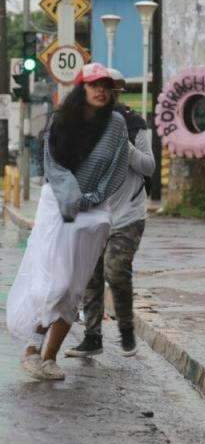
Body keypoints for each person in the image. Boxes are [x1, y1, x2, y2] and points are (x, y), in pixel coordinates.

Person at [7, 63, 129, 380]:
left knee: (74, 288)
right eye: (94, 85)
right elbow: (54, 166)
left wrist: (95, 197)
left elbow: (117, 168)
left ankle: (49, 357)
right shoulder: (61, 120)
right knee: (55, 283)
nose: (101, 91)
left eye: (106, 86)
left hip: (94, 211)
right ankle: (32, 348)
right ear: (82, 88)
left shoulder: (116, 124)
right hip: (58, 204)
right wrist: (74, 196)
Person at [65, 68, 156, 358]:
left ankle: (126, 329)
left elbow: (149, 167)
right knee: (90, 275)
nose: (105, 94)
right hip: (94, 214)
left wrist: (124, 145)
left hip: (128, 213)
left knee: (116, 272)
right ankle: (92, 337)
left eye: (111, 89)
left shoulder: (134, 125)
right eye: (98, 88)